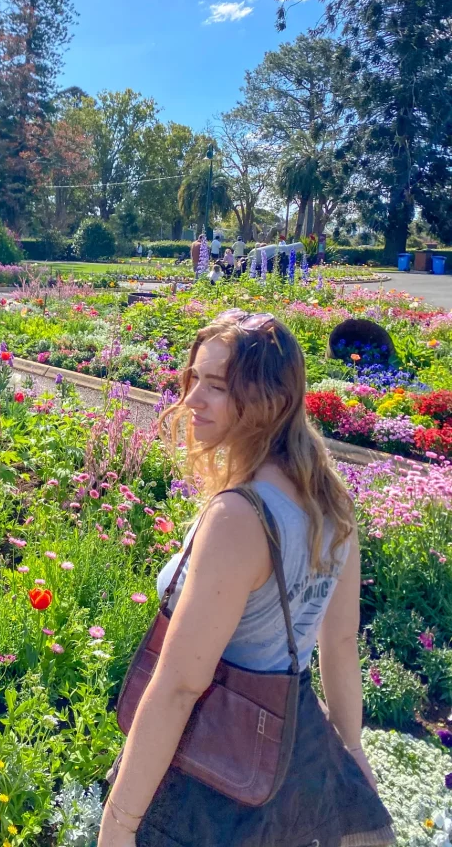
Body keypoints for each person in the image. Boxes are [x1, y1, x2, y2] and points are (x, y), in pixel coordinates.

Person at [98, 311, 394, 847]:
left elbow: (181, 686)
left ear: (266, 403)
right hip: (289, 751)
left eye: (216, 386)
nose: (191, 400)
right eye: (193, 379)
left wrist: (118, 824)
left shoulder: (241, 517)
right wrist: (348, 758)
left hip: (209, 776)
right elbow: (340, 644)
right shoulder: (332, 502)